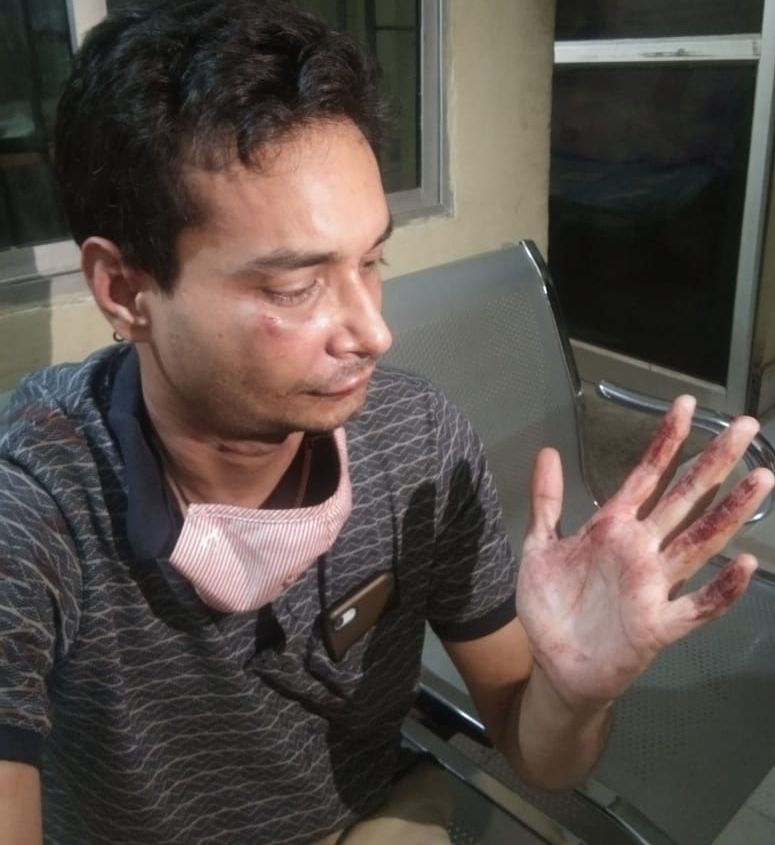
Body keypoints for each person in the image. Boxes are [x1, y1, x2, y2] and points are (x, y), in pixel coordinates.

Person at [0, 1, 771, 843]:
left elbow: (539, 755)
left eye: (371, 260)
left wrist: (573, 692)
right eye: (295, 288)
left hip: (369, 814)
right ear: (124, 291)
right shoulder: (37, 501)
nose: (373, 331)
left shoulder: (414, 443)